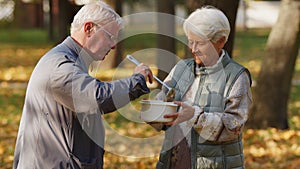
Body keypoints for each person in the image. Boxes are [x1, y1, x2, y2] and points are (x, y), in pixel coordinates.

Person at [13, 1, 153, 169]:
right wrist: (136, 81)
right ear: (88, 29)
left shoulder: (71, 60)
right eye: (110, 36)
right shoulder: (60, 65)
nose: (113, 45)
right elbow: (97, 97)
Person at [152, 6, 252, 169]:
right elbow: (165, 108)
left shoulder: (236, 76)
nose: (193, 49)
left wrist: (196, 117)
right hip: (174, 162)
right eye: (190, 41)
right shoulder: (180, 68)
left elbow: (234, 125)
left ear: (221, 41)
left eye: (200, 43)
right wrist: (155, 110)